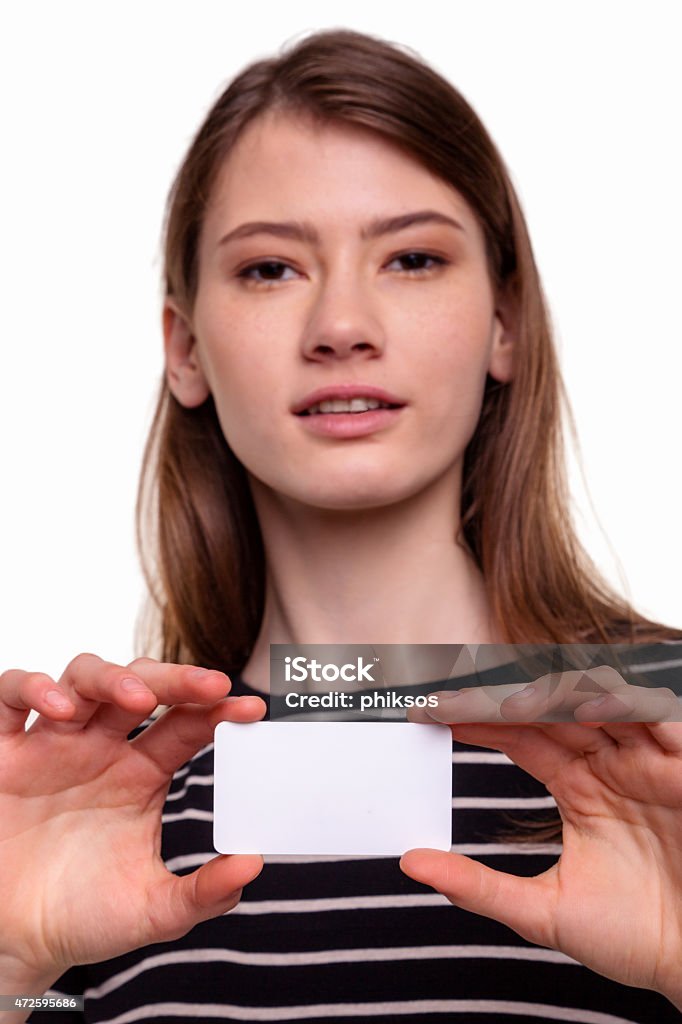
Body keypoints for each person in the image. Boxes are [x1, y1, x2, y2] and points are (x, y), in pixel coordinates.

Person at [2, 26, 681, 1024]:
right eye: (270, 269)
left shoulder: (666, 741)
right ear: (184, 348)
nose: (341, 325)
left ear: (506, 322)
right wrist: (10, 959)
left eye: (410, 257)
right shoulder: (90, 812)